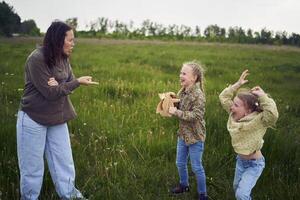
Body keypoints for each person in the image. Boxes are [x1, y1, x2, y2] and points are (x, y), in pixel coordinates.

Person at [16, 21, 97, 200]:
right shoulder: (36, 58)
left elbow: (67, 82)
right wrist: (70, 84)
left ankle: (71, 196)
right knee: (32, 168)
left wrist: (61, 84)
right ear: (59, 40)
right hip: (33, 118)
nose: (73, 44)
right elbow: (51, 93)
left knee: (64, 163)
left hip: (57, 118)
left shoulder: (63, 57)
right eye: (70, 40)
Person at [219, 69, 279, 200]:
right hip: (240, 162)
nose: (232, 107)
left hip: (254, 164)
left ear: (248, 111)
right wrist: (237, 84)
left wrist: (262, 96)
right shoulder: (233, 115)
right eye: (233, 103)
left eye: (236, 105)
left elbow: (273, 115)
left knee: (241, 195)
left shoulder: (258, 120)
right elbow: (223, 97)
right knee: (237, 190)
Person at [168, 61, 208, 200]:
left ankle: (203, 194)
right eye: (180, 72)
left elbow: (196, 115)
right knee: (180, 162)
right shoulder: (183, 90)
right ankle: (184, 185)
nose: (181, 75)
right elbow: (181, 106)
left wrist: (177, 112)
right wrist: (173, 99)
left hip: (195, 136)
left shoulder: (198, 95)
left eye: (184, 73)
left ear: (194, 77)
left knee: (196, 167)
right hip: (183, 135)